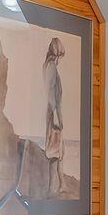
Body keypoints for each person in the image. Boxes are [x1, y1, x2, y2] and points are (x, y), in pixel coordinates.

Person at [42, 36, 66, 195]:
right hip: (54, 112)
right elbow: (51, 93)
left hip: (55, 111)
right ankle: (52, 187)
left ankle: (61, 183)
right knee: (53, 151)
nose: (59, 60)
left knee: (59, 149)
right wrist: (57, 115)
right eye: (60, 56)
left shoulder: (49, 66)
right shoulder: (50, 67)